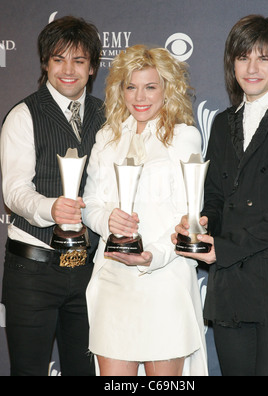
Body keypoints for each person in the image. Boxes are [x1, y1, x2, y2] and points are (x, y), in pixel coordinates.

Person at [172, 15, 268, 376]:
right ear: (232, 63)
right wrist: (201, 221)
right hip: (231, 285)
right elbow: (213, 194)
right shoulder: (223, 121)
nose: (252, 68)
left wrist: (226, 248)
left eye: (264, 57)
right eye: (243, 57)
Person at [83, 45, 208, 376]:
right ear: (119, 89)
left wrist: (152, 255)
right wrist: (106, 220)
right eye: (131, 85)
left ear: (167, 89)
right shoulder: (106, 138)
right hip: (112, 280)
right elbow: (90, 204)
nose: (140, 96)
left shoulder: (183, 138)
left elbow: (187, 217)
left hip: (164, 281)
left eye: (150, 86)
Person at [0, 16, 105, 376]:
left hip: (90, 270)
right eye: (58, 59)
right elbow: (14, 192)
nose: (68, 70)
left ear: (92, 67)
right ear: (45, 64)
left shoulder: (107, 115)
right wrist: (50, 208)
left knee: (86, 371)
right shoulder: (23, 115)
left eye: (78, 60)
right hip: (33, 271)